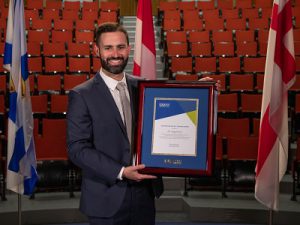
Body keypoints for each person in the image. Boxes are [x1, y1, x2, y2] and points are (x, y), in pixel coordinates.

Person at [67, 22, 219, 225]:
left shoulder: (143, 86)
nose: (115, 53)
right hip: (106, 196)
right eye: (108, 48)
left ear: (128, 49)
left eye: (120, 47)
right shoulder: (81, 95)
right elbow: (77, 149)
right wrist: (121, 172)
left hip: (144, 195)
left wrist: (201, 90)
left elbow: (176, 100)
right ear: (96, 50)